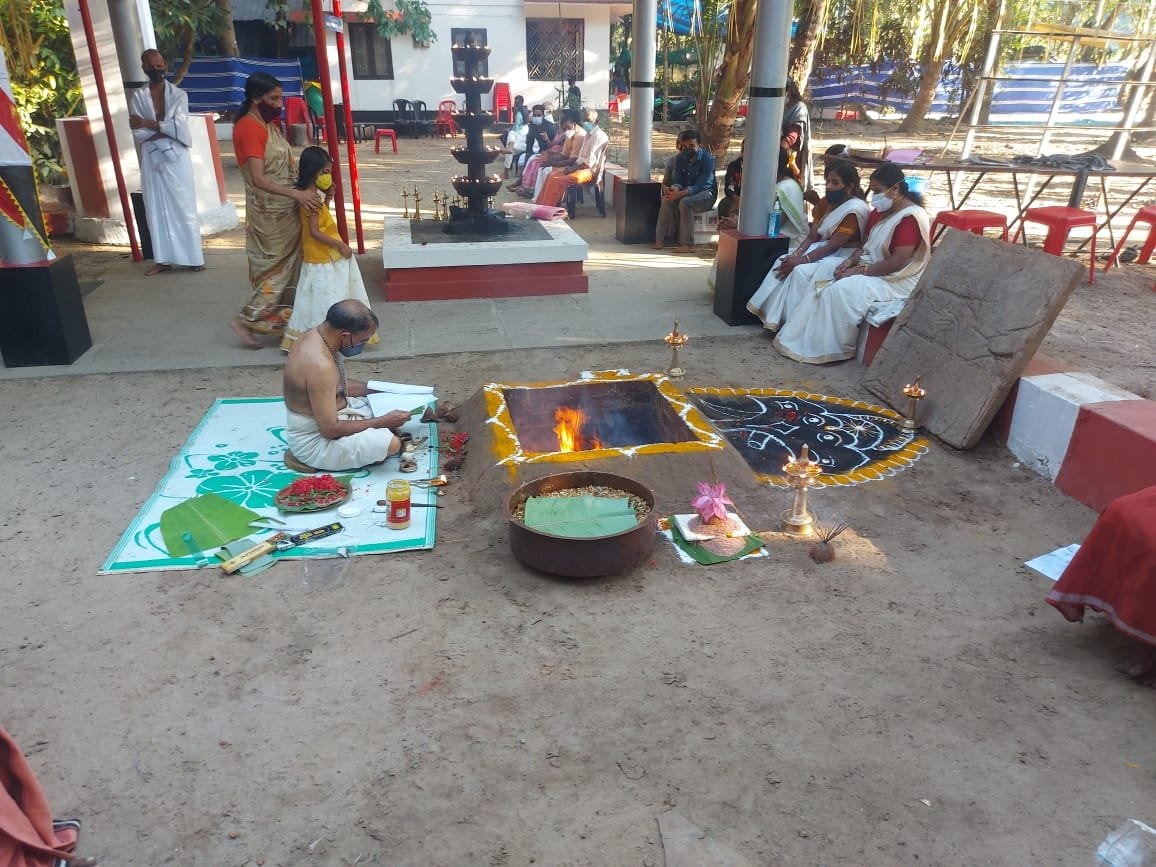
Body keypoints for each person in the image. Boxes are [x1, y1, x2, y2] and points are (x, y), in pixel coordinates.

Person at [768, 162, 931, 364]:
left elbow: (898, 262)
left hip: (896, 279)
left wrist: (859, 271)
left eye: (878, 191)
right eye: (872, 191)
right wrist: (849, 262)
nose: (873, 197)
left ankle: (831, 348)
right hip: (872, 267)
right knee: (827, 271)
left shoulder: (910, 218)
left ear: (895, 189)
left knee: (841, 290)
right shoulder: (879, 213)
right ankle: (802, 337)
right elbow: (865, 246)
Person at [230, 72, 322, 349]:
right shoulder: (249, 127)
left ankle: (285, 323)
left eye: (280, 97)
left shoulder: (268, 126)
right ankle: (246, 318)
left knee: (295, 264)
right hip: (269, 212)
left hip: (286, 206)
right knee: (277, 269)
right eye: (273, 98)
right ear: (256, 98)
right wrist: (296, 193)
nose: (279, 104)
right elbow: (258, 178)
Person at [283, 300, 410, 471]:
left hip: (338, 412)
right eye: (362, 340)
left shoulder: (317, 336)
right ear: (344, 335)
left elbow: (337, 387)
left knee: (386, 403)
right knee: (390, 444)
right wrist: (381, 422)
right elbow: (330, 429)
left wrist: (385, 390)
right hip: (315, 440)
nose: (362, 345)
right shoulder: (319, 365)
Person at [747, 160, 870, 328]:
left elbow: (833, 245)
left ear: (849, 187)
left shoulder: (855, 209)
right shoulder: (826, 202)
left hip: (843, 255)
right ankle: (775, 318)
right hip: (821, 249)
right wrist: (795, 254)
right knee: (782, 260)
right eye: (827, 181)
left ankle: (793, 324)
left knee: (800, 272)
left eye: (835, 182)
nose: (829, 186)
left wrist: (802, 260)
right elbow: (813, 237)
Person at [282, 147, 376, 352]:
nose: (327, 176)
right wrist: (340, 245)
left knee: (315, 297)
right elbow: (315, 231)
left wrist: (328, 199)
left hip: (320, 255)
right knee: (325, 298)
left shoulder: (311, 196)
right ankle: (326, 338)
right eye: (324, 172)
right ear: (312, 171)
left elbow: (318, 223)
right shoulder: (310, 198)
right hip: (321, 256)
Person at [128, 49, 204, 276]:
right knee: (155, 207)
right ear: (144, 69)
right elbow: (137, 133)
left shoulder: (179, 95)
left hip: (177, 159)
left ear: (166, 67)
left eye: (160, 66)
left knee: (184, 206)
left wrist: (148, 123)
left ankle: (193, 258)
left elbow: (180, 129)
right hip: (152, 157)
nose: (156, 70)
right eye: (151, 66)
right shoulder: (138, 97)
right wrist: (161, 127)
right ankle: (163, 260)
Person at [653, 129, 716, 253]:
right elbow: (678, 180)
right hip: (685, 191)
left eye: (692, 146)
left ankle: (688, 244)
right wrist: (673, 190)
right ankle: (659, 239)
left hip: (706, 194)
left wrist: (679, 194)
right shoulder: (680, 158)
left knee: (685, 202)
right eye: (685, 146)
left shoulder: (707, 160)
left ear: (699, 145)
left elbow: (700, 185)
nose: (688, 149)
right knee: (667, 200)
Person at [535, 108, 608, 207]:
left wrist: (572, 168)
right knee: (551, 176)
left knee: (558, 180)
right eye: (584, 120)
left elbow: (589, 161)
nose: (586, 123)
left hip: (590, 171)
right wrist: (570, 168)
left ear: (596, 121)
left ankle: (549, 208)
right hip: (579, 167)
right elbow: (580, 158)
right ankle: (541, 205)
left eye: (589, 121)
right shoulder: (588, 135)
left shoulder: (599, 136)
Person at [527, 109, 585, 200]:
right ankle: (539, 199)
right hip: (567, 163)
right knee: (542, 169)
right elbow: (564, 155)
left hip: (574, 166)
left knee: (547, 171)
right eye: (564, 129)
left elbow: (572, 160)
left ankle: (551, 199)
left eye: (567, 128)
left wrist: (552, 163)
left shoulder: (580, 136)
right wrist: (549, 161)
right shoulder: (570, 133)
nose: (566, 131)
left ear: (573, 123)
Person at [506, 104, 560, 194]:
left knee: (534, 162)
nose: (536, 117)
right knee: (528, 160)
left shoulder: (550, 127)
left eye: (539, 115)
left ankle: (528, 189)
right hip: (541, 152)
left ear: (543, 116)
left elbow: (556, 146)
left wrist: (546, 140)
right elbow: (529, 146)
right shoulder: (532, 127)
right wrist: (528, 156)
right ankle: (523, 185)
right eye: (534, 115)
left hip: (552, 153)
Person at [781, 79, 812, 195]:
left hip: (791, 155)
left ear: (789, 92)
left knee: (791, 187)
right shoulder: (780, 107)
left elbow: (792, 136)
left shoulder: (798, 108)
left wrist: (780, 152)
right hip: (778, 151)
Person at [717, 140, 743, 226]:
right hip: (737, 197)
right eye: (743, 149)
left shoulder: (763, 166)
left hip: (755, 200)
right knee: (724, 204)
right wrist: (736, 198)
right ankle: (724, 233)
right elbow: (729, 187)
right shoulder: (734, 165)